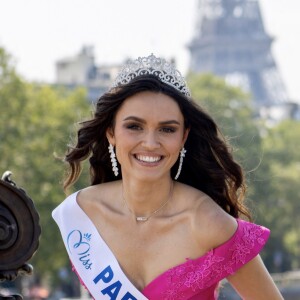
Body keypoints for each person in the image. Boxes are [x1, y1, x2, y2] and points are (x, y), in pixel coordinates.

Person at [52, 54, 283, 299]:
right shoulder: (82, 213)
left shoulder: (207, 222)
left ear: (183, 137)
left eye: (167, 129)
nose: (150, 143)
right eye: (134, 126)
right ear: (111, 132)